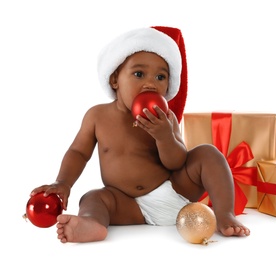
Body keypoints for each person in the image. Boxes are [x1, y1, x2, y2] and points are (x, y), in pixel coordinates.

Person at [30, 26, 250, 243]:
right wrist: (63, 182)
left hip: (176, 191)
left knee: (208, 154)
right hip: (128, 205)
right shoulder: (97, 116)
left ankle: (224, 214)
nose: (150, 83)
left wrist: (164, 137)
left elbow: (177, 162)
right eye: (138, 74)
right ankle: (91, 223)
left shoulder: (166, 118)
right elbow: (78, 152)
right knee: (93, 197)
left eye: (161, 77)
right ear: (114, 79)